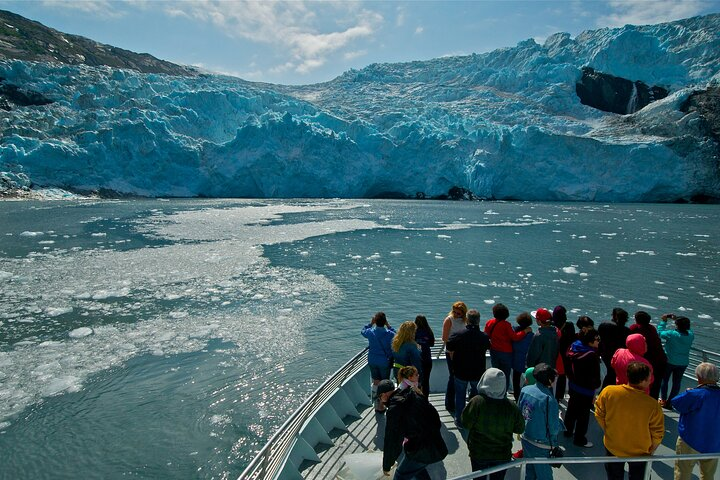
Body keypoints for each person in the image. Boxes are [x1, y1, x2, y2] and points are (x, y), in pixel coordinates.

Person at [595, 362, 664, 480]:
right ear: (642, 381)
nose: (650, 380)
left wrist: (609, 431)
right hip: (640, 453)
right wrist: (652, 449)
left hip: (613, 447)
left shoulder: (609, 392)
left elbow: (599, 414)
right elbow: (658, 433)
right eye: (649, 378)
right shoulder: (652, 405)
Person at [462, 368, 525, 480]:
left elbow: (465, 423)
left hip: (479, 453)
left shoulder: (476, 402)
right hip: (502, 454)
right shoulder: (511, 407)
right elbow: (520, 428)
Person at [379, 378, 448, 479]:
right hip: (436, 443)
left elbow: (392, 440)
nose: (380, 401)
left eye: (379, 397)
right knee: (417, 470)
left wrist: (387, 465)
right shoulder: (413, 394)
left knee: (400, 475)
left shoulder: (394, 409)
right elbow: (434, 416)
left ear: (384, 395)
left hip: (420, 448)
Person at [672, 362, 720, 480]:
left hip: (690, 440)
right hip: (714, 442)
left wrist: (688, 391)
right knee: (708, 475)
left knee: (683, 472)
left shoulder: (694, 394)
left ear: (699, 377)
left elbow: (676, 403)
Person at [518, 363, 561, 480]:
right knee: (544, 476)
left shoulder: (525, 390)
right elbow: (553, 428)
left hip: (526, 438)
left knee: (529, 472)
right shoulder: (549, 400)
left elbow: (519, 412)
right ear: (549, 380)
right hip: (541, 444)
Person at [447, 309, 491, 422]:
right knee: (477, 397)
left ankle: (459, 419)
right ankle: (474, 417)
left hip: (460, 370)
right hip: (477, 371)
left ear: (467, 320)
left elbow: (449, 347)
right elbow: (489, 346)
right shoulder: (484, 337)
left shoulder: (457, 335)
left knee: (460, 396)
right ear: (478, 321)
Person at [564, 328, 601, 448]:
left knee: (571, 409)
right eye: (597, 339)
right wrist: (596, 386)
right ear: (590, 341)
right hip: (586, 390)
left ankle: (567, 431)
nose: (598, 341)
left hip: (573, 385)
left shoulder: (573, 347)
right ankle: (579, 439)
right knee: (583, 415)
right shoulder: (592, 355)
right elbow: (595, 376)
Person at [485, 303, 531, 389]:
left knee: (495, 373)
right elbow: (515, 337)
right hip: (506, 353)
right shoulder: (506, 325)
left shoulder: (489, 323)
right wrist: (525, 331)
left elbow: (486, 335)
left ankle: (495, 390)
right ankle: (503, 392)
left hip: (494, 351)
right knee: (505, 374)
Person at [362, 312, 396, 412]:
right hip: (384, 361)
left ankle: (376, 405)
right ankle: (382, 405)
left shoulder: (371, 332)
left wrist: (370, 323)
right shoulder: (389, 334)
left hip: (372, 360)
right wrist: (388, 325)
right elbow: (396, 335)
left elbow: (363, 331)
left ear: (375, 322)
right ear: (384, 321)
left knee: (376, 382)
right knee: (384, 384)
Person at [658, 313, 694, 409]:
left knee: (665, 380)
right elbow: (688, 329)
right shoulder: (690, 335)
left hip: (670, 361)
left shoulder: (671, 334)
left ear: (677, 325)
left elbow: (660, 332)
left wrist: (664, 321)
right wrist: (677, 320)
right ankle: (670, 402)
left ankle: (663, 400)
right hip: (683, 363)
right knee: (677, 383)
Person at [630, 311, 667, 399]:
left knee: (642, 384)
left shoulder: (635, 328)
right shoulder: (652, 328)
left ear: (636, 320)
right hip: (661, 361)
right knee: (655, 386)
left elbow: (629, 340)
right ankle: (652, 405)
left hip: (649, 362)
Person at [442, 301, 468, 413]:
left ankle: (459, 400)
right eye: (455, 312)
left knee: (461, 376)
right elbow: (445, 338)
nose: (456, 314)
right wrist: (452, 350)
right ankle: (449, 403)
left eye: (459, 313)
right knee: (452, 376)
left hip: (462, 352)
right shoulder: (449, 320)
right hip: (451, 352)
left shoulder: (465, 320)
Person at [598, 308, 630, 390]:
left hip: (605, 354)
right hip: (620, 356)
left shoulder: (604, 326)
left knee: (610, 374)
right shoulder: (627, 331)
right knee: (614, 375)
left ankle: (604, 393)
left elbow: (599, 339)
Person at [553, 305, 574, 402]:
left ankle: (553, 394)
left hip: (555, 352)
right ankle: (560, 395)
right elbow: (572, 339)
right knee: (563, 374)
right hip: (566, 353)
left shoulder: (553, 326)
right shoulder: (569, 325)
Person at [512, 312, 535, 402]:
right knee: (529, 378)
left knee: (516, 378)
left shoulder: (514, 331)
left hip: (516, 359)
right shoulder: (531, 335)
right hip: (526, 360)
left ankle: (516, 395)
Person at [414, 315, 435, 398]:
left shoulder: (414, 332)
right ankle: (425, 399)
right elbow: (432, 344)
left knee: (416, 380)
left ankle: (417, 399)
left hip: (416, 360)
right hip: (427, 359)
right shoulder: (429, 331)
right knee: (426, 381)